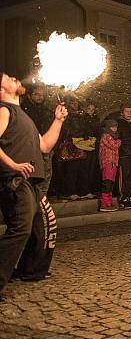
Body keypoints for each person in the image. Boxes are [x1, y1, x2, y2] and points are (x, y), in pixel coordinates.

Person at [0, 72, 68, 298]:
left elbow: (45, 145)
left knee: (40, 228)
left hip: (30, 182)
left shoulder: (23, 116)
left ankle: (30, 270)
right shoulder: (4, 110)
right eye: (7, 78)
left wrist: (58, 120)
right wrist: (14, 164)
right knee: (20, 229)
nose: (14, 78)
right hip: (15, 180)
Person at [98, 119, 122, 212]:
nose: (115, 128)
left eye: (116, 126)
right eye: (112, 126)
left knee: (111, 183)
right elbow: (114, 145)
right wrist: (119, 141)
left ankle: (109, 202)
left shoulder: (113, 136)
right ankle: (104, 203)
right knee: (107, 182)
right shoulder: (106, 135)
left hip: (113, 162)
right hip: (107, 162)